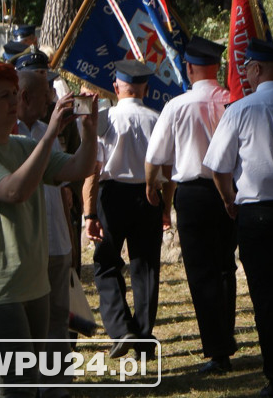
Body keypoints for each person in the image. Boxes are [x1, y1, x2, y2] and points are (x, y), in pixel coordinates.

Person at [0, 62, 97, 397]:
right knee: (17, 385)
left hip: (35, 286)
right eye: (4, 96)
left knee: (30, 385)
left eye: (14, 94)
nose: (14, 101)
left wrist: (90, 130)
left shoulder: (22, 144)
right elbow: (14, 192)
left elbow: (79, 167)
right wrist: (49, 135)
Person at [204, 38, 273, 398]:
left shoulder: (239, 111)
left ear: (256, 69)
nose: (245, 75)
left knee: (265, 296)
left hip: (254, 212)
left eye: (247, 68)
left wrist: (228, 200)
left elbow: (217, 167)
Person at [144, 36, 238, 376]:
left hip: (195, 194)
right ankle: (225, 340)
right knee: (225, 267)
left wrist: (154, 191)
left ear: (189, 68)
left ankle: (217, 349)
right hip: (229, 191)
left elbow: (155, 158)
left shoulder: (177, 106)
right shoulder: (232, 101)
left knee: (202, 274)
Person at [85, 60, 168, 359]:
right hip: (148, 194)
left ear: (117, 86)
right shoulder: (157, 118)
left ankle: (121, 328)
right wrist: (166, 206)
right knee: (146, 267)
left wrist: (90, 213)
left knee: (106, 262)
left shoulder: (106, 119)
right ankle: (144, 337)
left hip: (112, 194)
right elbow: (165, 167)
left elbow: (93, 169)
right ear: (145, 88)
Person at [16, 70, 75, 397]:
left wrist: (69, 241)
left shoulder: (47, 132)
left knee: (57, 321)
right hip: (29, 247)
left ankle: (57, 388)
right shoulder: (8, 137)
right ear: (25, 97)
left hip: (57, 243)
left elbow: (63, 192)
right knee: (28, 326)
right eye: (44, 95)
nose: (50, 100)